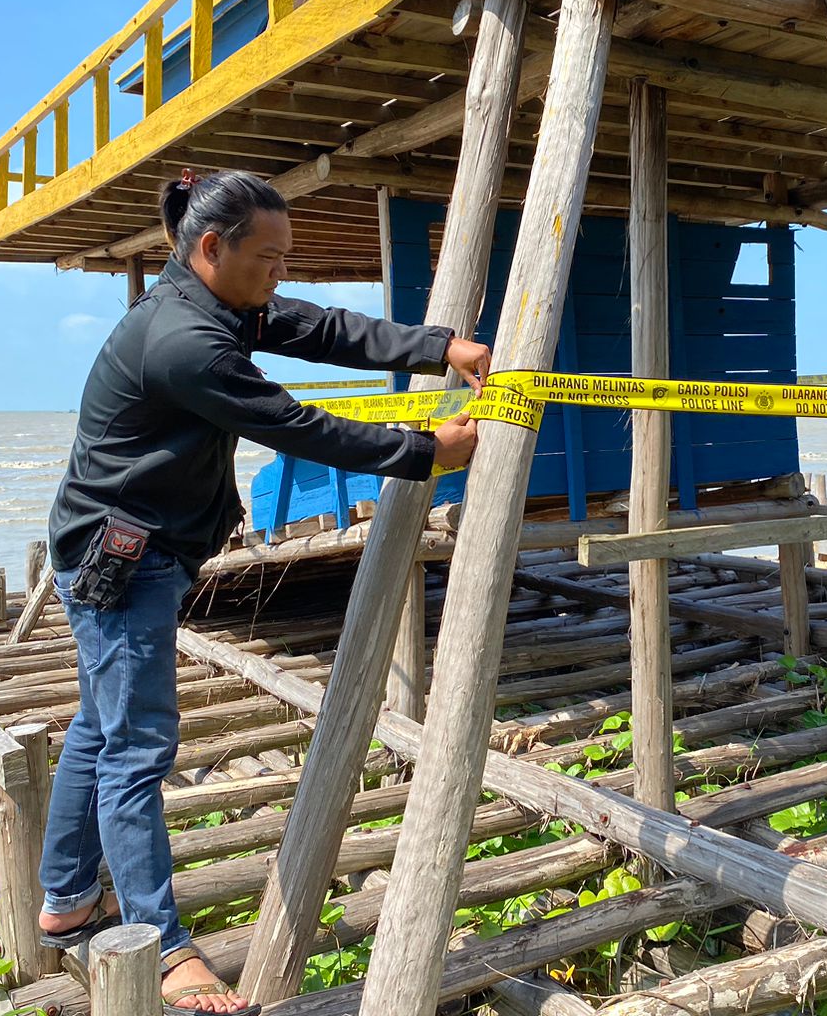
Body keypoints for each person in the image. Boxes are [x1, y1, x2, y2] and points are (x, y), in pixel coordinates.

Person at [36, 170, 488, 1014]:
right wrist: (427, 452)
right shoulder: (185, 342)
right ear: (213, 249)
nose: (281, 274)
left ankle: (66, 898)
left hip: (133, 547)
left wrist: (438, 346)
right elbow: (293, 423)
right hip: (121, 560)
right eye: (270, 258)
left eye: (287, 258)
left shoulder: (216, 306)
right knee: (136, 747)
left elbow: (317, 327)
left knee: (102, 728)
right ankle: (164, 951)